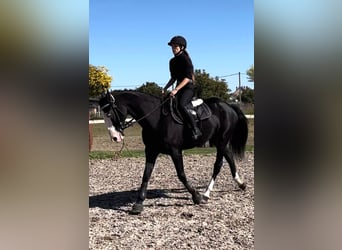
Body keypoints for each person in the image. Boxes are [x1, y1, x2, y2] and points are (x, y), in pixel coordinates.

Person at [162, 35, 202, 140]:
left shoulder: (186, 59)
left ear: (182, 47)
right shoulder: (172, 61)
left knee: (181, 105)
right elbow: (173, 78)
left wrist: (175, 89)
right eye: (172, 47)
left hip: (188, 88)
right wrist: (165, 88)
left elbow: (188, 78)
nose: (173, 49)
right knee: (166, 103)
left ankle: (195, 129)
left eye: (175, 47)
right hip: (179, 87)